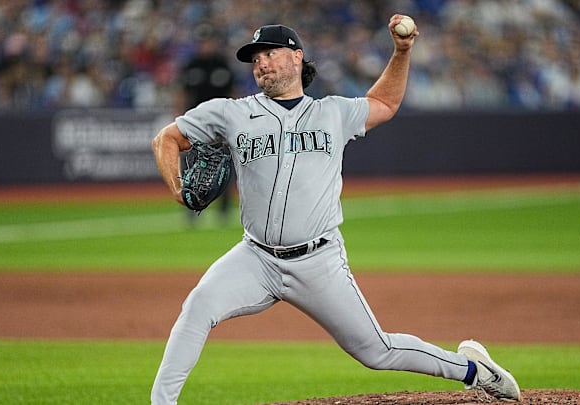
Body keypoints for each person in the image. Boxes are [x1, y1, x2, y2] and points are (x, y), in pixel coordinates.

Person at [151, 15, 521, 404]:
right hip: (255, 257)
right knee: (197, 306)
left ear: (297, 58)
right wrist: (176, 187)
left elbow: (384, 102)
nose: (260, 62)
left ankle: (475, 371)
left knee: (376, 351)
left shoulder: (332, 112)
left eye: (269, 53)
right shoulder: (230, 113)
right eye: (255, 58)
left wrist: (401, 51)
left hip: (318, 260)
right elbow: (167, 138)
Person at [179, 24, 237, 224]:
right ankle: (191, 208)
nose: (206, 45)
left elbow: (233, 93)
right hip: (195, 124)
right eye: (203, 42)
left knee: (223, 165)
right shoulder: (192, 65)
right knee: (192, 166)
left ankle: (223, 210)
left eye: (209, 41)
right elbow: (182, 92)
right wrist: (179, 118)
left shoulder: (222, 64)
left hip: (221, 124)